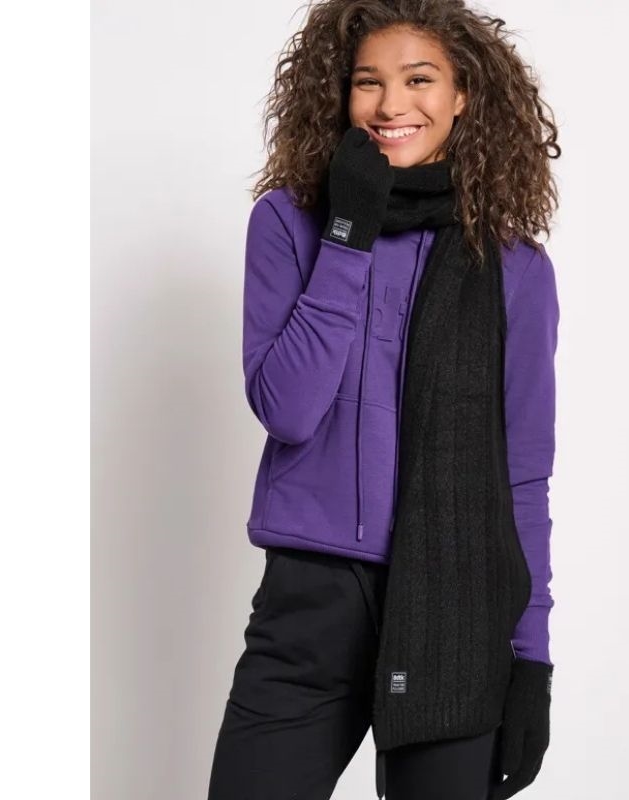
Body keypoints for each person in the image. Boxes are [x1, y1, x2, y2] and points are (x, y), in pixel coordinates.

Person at [207, 1, 561, 798]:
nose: (391, 104)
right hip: (313, 603)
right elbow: (288, 407)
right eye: (368, 82)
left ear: (463, 94)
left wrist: (531, 659)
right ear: (340, 95)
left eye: (419, 79)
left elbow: (522, 476)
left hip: (456, 608)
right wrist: (348, 231)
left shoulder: (513, 268)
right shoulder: (289, 224)